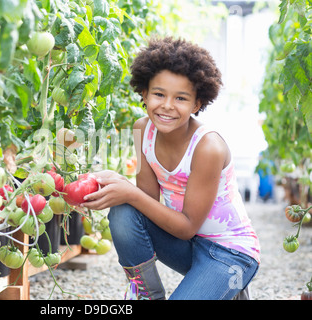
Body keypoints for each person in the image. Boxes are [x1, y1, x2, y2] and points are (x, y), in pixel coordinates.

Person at [81, 37, 260, 300]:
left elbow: (187, 226)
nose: (167, 105)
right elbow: (145, 205)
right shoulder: (143, 130)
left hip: (230, 254)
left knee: (129, 199)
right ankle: (146, 295)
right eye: (159, 94)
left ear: (197, 104)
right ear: (144, 93)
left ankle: (226, 285)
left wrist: (128, 191)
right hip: (188, 247)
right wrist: (108, 188)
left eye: (181, 98)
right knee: (124, 210)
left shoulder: (208, 147)